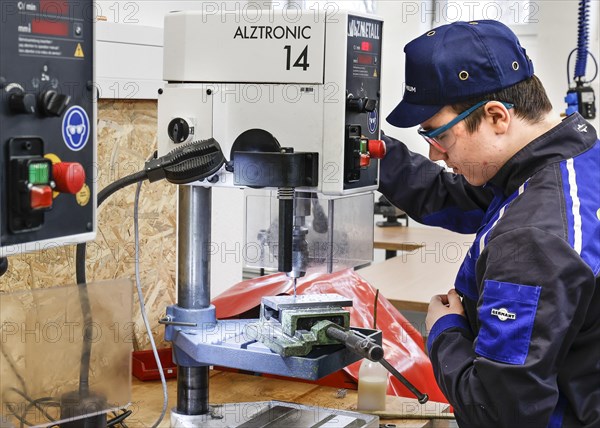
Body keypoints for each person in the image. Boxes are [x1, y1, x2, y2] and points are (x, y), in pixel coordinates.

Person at [379, 20, 599, 427]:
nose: (435, 156)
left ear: (497, 116)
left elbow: (498, 411)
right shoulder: (571, 159)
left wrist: (444, 333)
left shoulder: (532, 238)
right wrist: (372, 153)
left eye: (437, 136)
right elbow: (455, 197)